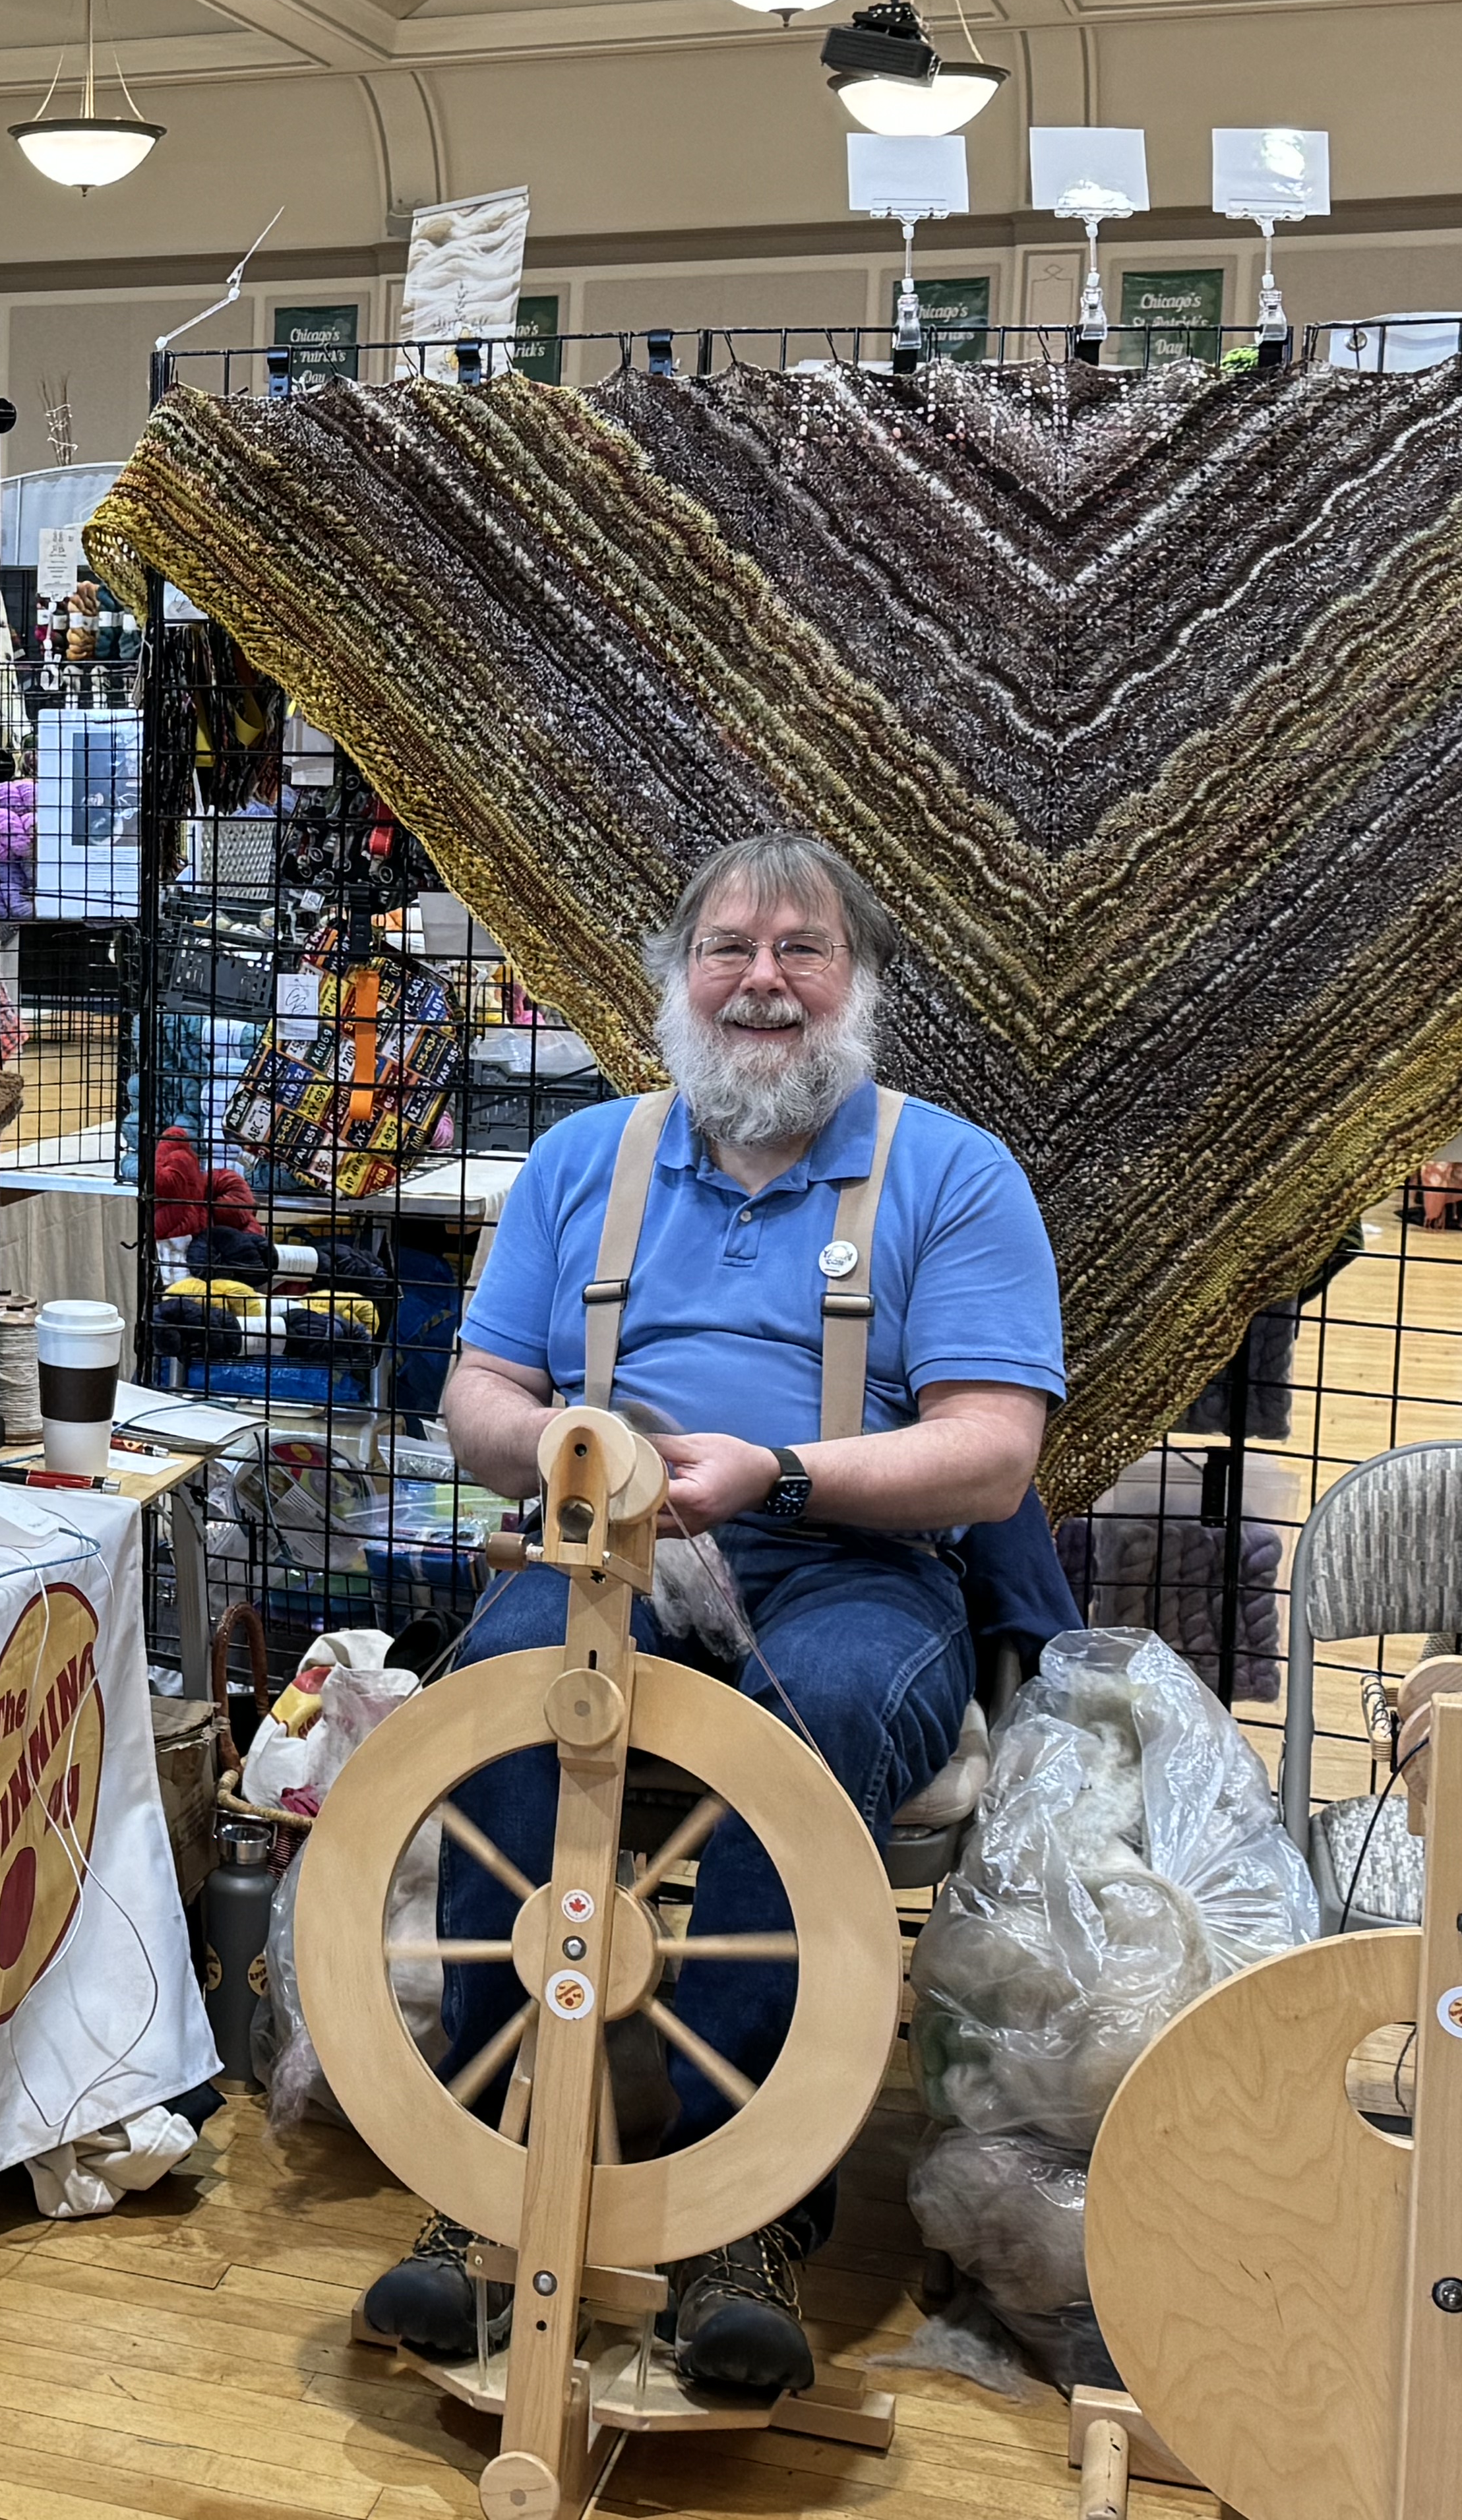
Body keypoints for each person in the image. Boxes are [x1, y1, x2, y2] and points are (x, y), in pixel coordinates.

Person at [355, 831, 1069, 2399]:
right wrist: (550, 1444)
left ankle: (741, 2219)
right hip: (596, 1556)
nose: (762, 979)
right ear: (675, 983)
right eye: (729, 947)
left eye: (803, 949)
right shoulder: (581, 1165)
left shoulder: (950, 1174)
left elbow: (993, 1451)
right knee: (496, 1738)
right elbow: (474, 1391)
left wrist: (783, 1471)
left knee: (776, 1752)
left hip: (855, 1572)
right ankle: (479, 2175)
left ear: (860, 987)